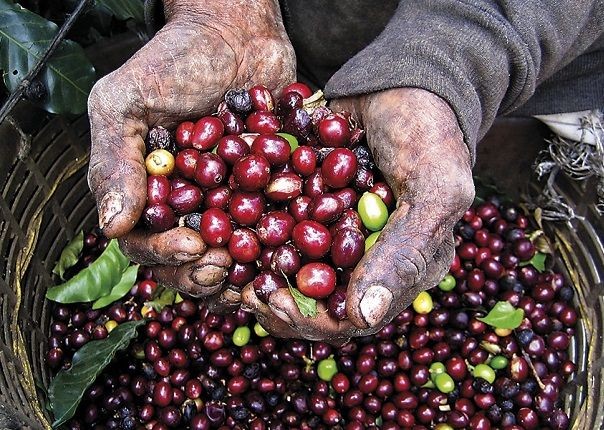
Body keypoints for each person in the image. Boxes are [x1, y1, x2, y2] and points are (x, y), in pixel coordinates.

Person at [87, 0, 603, 344]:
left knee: (455, 163)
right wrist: (221, 12)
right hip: (294, 28)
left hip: (536, 43)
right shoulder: (274, 165)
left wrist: (444, 69)